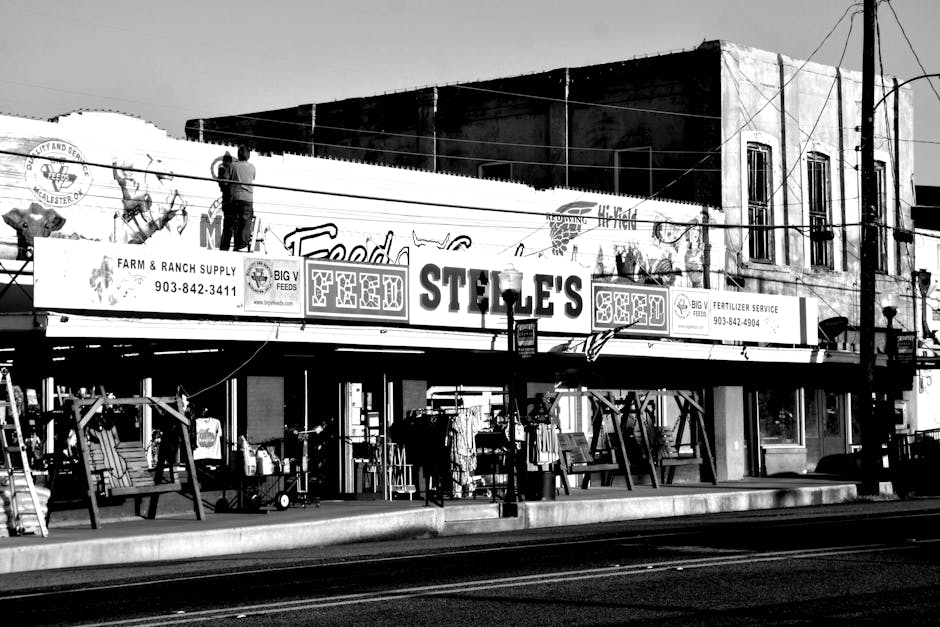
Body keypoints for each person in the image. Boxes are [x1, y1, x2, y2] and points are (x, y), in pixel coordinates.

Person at [228, 145, 256, 251]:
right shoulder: (252, 167)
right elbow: (252, 178)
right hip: (248, 198)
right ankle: (243, 245)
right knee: (246, 221)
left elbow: (229, 178)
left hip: (235, 197)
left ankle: (237, 244)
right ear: (248, 155)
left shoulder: (233, 166)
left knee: (236, 221)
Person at [216, 151, 235, 250]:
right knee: (228, 227)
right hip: (229, 201)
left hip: (228, 201)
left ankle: (225, 247)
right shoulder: (224, 170)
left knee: (228, 227)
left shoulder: (223, 170)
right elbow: (223, 185)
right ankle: (225, 247)